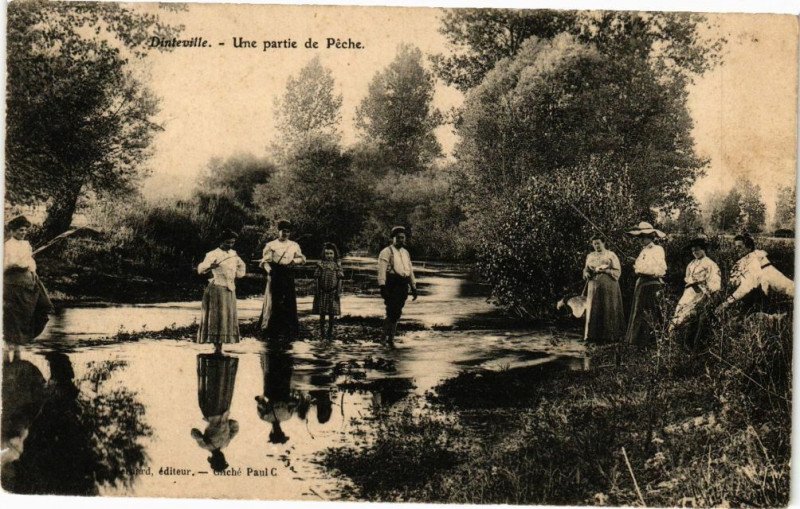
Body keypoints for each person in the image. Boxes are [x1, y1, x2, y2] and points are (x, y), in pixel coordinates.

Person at [3, 216, 53, 352]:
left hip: (29, 281)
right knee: (15, 314)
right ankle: (11, 346)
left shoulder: (26, 245)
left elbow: (30, 262)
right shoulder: (7, 246)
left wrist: (33, 270)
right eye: (20, 230)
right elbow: (7, 264)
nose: (23, 232)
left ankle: (21, 342)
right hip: (13, 282)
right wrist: (18, 263)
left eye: (25, 230)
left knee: (40, 307)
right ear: (12, 231)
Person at [716, 233, 794, 314]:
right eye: (735, 247)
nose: (736, 250)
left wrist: (727, 302)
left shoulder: (754, 260)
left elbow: (747, 286)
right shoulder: (755, 256)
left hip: (786, 292)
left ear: (749, 247)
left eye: (739, 247)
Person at [197, 230, 247, 353]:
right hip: (217, 288)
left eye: (232, 242)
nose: (230, 245)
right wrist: (210, 266)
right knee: (217, 317)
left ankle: (221, 346)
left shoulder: (233, 254)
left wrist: (237, 274)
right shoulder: (212, 254)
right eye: (227, 242)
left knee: (226, 316)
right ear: (221, 242)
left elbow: (242, 265)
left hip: (230, 289)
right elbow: (200, 269)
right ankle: (217, 347)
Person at [191, 353, 239, 473]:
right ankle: (220, 361)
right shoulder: (224, 443)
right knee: (221, 387)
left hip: (215, 410)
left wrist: (203, 437)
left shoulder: (208, 445)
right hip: (220, 410)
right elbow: (235, 427)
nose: (221, 457)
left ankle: (216, 360)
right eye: (222, 459)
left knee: (214, 387)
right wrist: (225, 422)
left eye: (219, 459)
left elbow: (193, 432)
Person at [258, 220, 306, 339]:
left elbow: (302, 258)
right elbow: (265, 262)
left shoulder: (294, 245)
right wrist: (270, 271)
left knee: (289, 299)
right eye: (283, 231)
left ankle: (289, 327)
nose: (285, 234)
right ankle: (273, 327)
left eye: (288, 232)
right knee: (275, 299)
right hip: (276, 273)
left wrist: (294, 262)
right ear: (278, 231)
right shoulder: (271, 245)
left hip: (288, 273)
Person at [668, 237, 721, 341]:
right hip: (688, 293)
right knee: (679, 312)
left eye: (697, 250)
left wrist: (706, 293)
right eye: (693, 251)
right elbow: (688, 278)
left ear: (703, 249)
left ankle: (686, 341)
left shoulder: (710, 264)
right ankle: (673, 339)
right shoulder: (692, 264)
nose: (695, 252)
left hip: (700, 293)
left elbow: (715, 283)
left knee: (688, 316)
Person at [624, 222, 667, 347]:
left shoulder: (658, 249)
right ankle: (637, 340)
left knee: (650, 310)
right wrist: (635, 263)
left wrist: (643, 269)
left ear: (650, 237)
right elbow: (640, 267)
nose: (640, 240)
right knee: (638, 309)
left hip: (651, 283)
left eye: (643, 237)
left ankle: (651, 341)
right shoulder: (643, 251)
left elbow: (660, 268)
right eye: (640, 237)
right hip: (641, 282)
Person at [377, 226, 417, 345]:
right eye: (398, 237)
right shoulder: (386, 252)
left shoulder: (406, 253)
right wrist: (382, 286)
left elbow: (410, 270)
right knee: (391, 311)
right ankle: (383, 338)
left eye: (402, 238)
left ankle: (391, 339)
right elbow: (381, 270)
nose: (400, 240)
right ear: (393, 238)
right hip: (392, 284)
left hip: (403, 284)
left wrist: (413, 287)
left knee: (397, 311)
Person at [582, 235, 625, 343]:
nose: (597, 246)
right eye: (594, 244)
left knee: (608, 306)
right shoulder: (590, 256)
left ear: (603, 243)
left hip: (608, 285)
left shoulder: (611, 255)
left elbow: (617, 271)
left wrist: (605, 271)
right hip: (593, 285)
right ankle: (593, 336)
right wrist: (586, 273)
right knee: (594, 307)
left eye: (599, 243)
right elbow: (586, 269)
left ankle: (610, 336)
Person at [312, 242, 344, 339]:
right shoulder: (320, 265)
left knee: (331, 313)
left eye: (331, 253)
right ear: (324, 254)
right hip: (322, 292)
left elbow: (340, 279)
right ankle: (322, 331)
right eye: (327, 253)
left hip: (333, 292)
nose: (329, 256)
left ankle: (330, 332)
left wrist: (338, 291)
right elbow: (317, 278)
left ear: (334, 254)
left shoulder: (337, 265)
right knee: (322, 313)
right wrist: (317, 290)